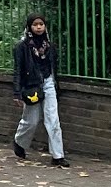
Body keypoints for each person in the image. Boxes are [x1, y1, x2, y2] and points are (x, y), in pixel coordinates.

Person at [11, 14, 69, 167]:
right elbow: (18, 70)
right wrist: (17, 92)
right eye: (35, 24)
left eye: (41, 24)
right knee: (31, 120)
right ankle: (19, 142)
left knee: (53, 119)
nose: (38, 27)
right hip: (31, 86)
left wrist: (57, 86)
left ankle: (58, 156)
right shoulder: (21, 47)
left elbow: (54, 68)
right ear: (29, 27)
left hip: (48, 83)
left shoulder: (50, 46)